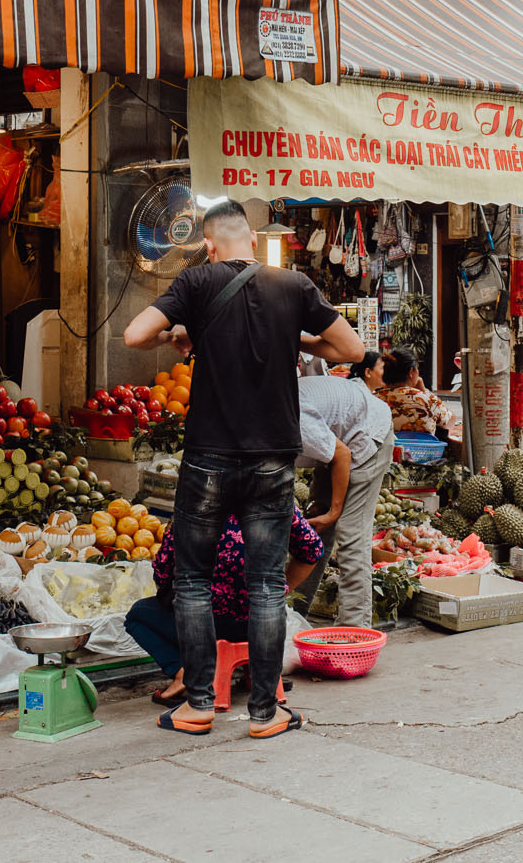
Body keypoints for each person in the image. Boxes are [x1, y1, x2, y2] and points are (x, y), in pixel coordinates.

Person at [122, 202, 363, 740]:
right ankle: (265, 712)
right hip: (273, 461)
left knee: (192, 582)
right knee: (266, 585)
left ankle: (200, 704)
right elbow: (353, 348)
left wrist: (180, 331)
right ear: (252, 238)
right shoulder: (294, 285)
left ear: (208, 245)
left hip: (207, 457)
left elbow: (135, 335)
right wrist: (295, 338)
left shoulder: (197, 281)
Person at [124, 508, 327, 708]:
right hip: (265, 623)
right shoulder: (279, 503)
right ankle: (254, 674)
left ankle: (182, 671)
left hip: (204, 625)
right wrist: (280, 591)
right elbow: (313, 550)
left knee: (138, 615)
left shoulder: (194, 506)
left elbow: (162, 572)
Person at [296, 366, 394, 627]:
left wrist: (335, 511)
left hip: (366, 436)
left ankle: (354, 628)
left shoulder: (292, 417)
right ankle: (293, 613)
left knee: (351, 534)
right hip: (336, 442)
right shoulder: (254, 418)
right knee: (314, 525)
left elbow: (342, 455)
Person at [373, 348, 461, 449]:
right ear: (411, 372)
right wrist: (425, 392)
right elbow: (450, 422)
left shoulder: (375, 398)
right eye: (417, 369)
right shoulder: (425, 399)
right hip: (424, 455)